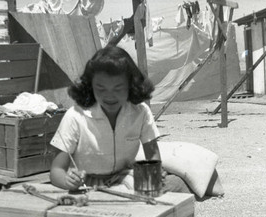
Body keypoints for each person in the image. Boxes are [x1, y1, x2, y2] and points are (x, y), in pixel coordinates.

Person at [49, 45, 191, 193]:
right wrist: (68, 181)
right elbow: (56, 171)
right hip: (88, 186)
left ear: (131, 85)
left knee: (178, 185)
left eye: (118, 88)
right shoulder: (75, 116)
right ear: (90, 86)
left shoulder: (141, 112)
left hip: (126, 179)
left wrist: (156, 173)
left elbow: (153, 159)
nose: (109, 96)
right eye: (101, 88)